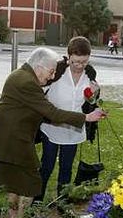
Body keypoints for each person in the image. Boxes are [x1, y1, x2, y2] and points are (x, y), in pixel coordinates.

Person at [0, 47, 105, 218]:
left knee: (14, 181)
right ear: (39, 67)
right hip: (15, 140)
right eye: (50, 72)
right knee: (32, 182)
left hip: (7, 139)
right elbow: (51, 112)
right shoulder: (27, 83)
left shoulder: (20, 76)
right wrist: (87, 118)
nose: (51, 77)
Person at [37, 36, 99, 201]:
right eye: (76, 62)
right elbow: (39, 91)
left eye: (84, 62)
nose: (79, 66)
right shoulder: (57, 71)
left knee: (66, 168)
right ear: (69, 56)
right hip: (52, 127)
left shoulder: (90, 74)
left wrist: (92, 96)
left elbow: (89, 104)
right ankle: (36, 204)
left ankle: (62, 203)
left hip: (73, 130)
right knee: (46, 167)